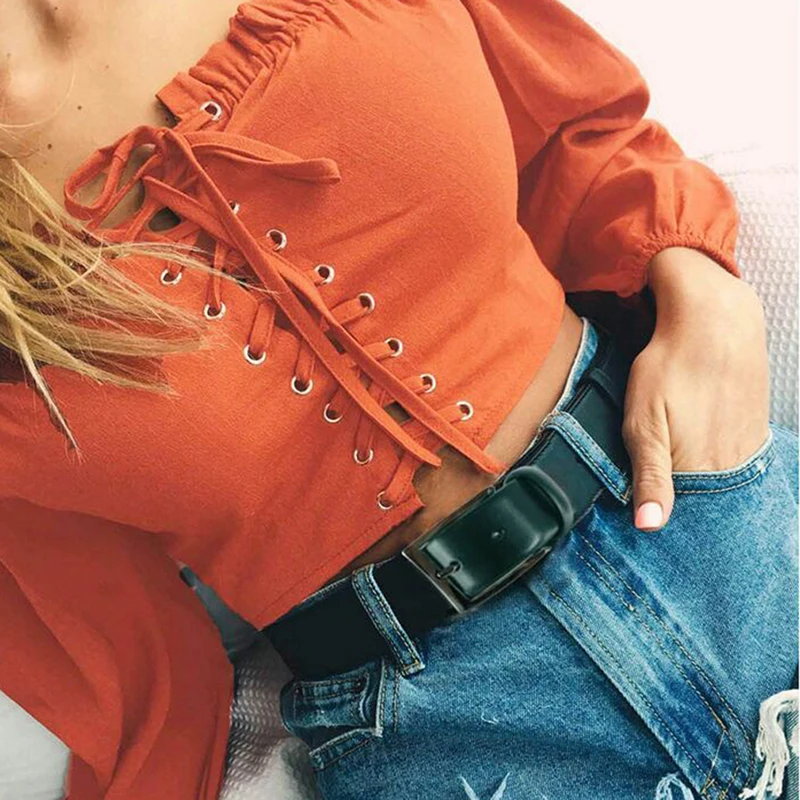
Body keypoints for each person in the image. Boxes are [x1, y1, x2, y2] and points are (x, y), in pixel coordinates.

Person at [0, 1, 796, 799]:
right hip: (436, 732)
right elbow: (121, 661)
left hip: (711, 496)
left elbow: (574, 133)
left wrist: (703, 286)